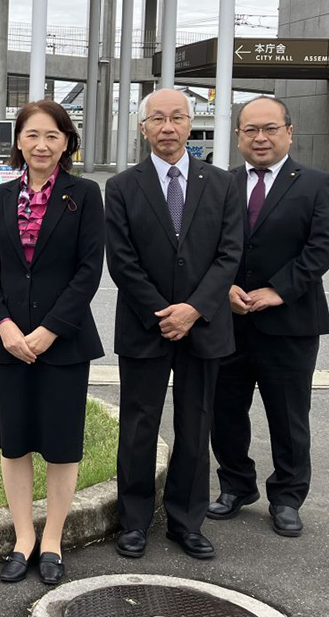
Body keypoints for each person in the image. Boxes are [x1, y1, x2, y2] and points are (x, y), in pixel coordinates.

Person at [106, 88, 243, 561]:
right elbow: (122, 262)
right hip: (146, 325)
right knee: (139, 424)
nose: (168, 127)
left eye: (177, 118)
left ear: (191, 125)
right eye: (158, 119)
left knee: (196, 423)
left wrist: (194, 309)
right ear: (143, 128)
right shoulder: (122, 186)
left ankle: (186, 521)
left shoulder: (223, 184)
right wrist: (163, 312)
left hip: (204, 325)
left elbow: (229, 255)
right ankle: (134, 521)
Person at [0, 100, 105, 585]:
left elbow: (89, 271)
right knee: (15, 444)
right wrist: (4, 327)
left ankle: (52, 540)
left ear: (67, 142)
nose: (41, 145)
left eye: (52, 135)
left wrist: (49, 329)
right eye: (31, 135)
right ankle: (23, 537)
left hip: (63, 343)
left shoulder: (86, 195)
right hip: (8, 344)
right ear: (19, 142)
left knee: (61, 446)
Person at [208, 96, 329, 537]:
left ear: (289, 131)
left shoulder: (316, 183)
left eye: (269, 128)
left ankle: (287, 497)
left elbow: (323, 246)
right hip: (228, 320)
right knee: (225, 411)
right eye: (250, 130)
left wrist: (277, 291)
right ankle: (235, 486)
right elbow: (205, 245)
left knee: (288, 415)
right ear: (238, 136)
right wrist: (221, 287)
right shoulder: (221, 183)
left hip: (290, 323)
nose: (260, 138)